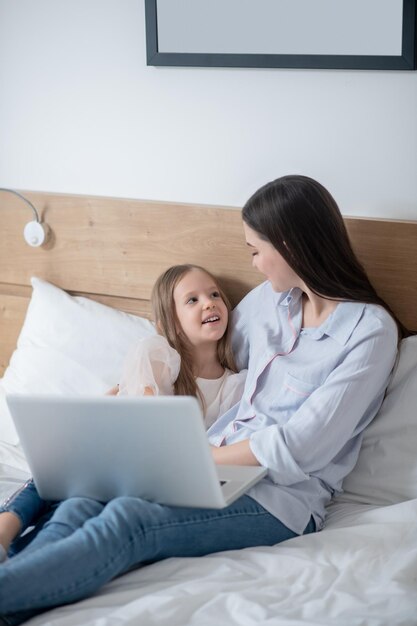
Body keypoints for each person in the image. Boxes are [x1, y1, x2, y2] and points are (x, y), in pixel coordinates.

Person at [0, 175, 403, 625]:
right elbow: (198, 342)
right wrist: (135, 393)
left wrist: (199, 459)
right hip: (206, 461)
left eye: (255, 249)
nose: (254, 264)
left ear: (288, 246)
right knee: (82, 502)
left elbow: (302, 447)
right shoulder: (269, 305)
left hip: (281, 500)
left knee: (129, 520)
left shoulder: (369, 332)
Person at [0, 264, 246, 564]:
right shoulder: (159, 353)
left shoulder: (234, 386)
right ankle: (6, 527)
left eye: (214, 294)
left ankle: (23, 562)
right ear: (171, 323)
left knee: (74, 513)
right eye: (192, 300)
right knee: (68, 465)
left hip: (153, 476)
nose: (208, 302)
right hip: (115, 450)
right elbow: (144, 420)